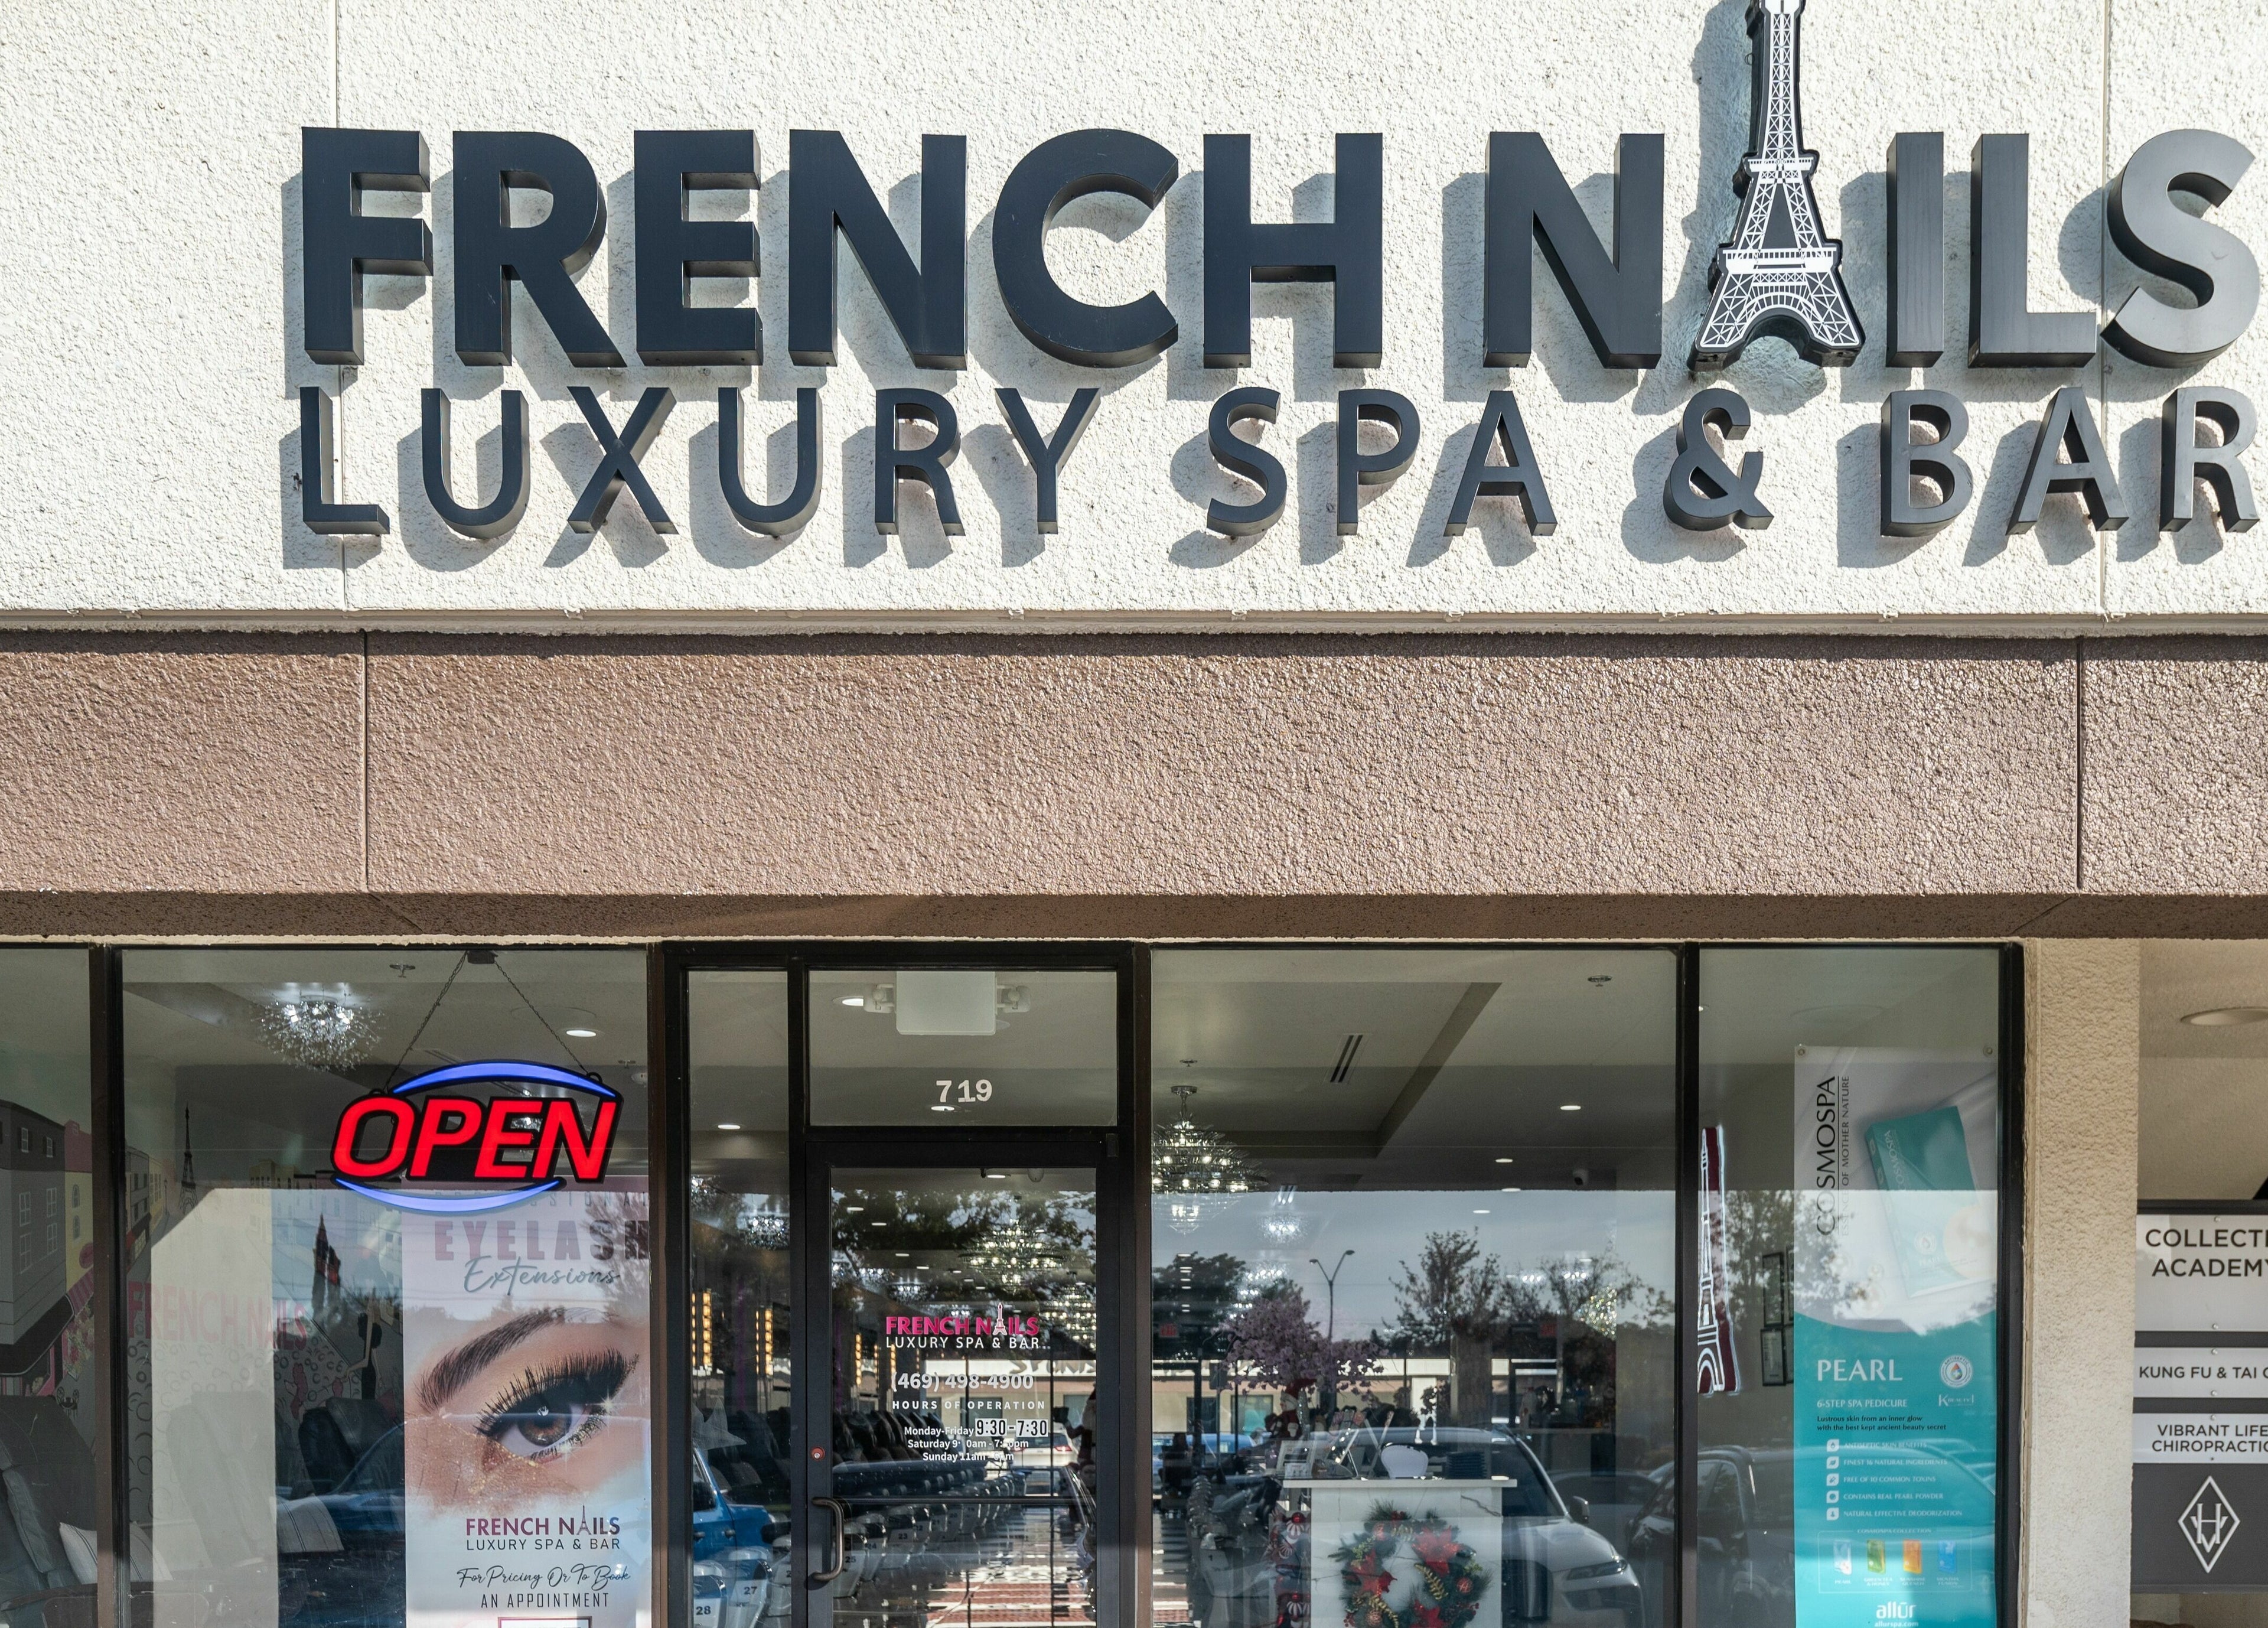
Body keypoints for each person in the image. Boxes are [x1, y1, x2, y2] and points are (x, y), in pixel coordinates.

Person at [1161, 1431, 1194, 1495]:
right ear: (1177, 1440)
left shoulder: (1188, 1450)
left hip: (1186, 1478)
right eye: (1181, 1439)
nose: (1183, 1441)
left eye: (1184, 1439)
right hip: (1174, 1478)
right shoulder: (1172, 1453)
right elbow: (1169, 1466)